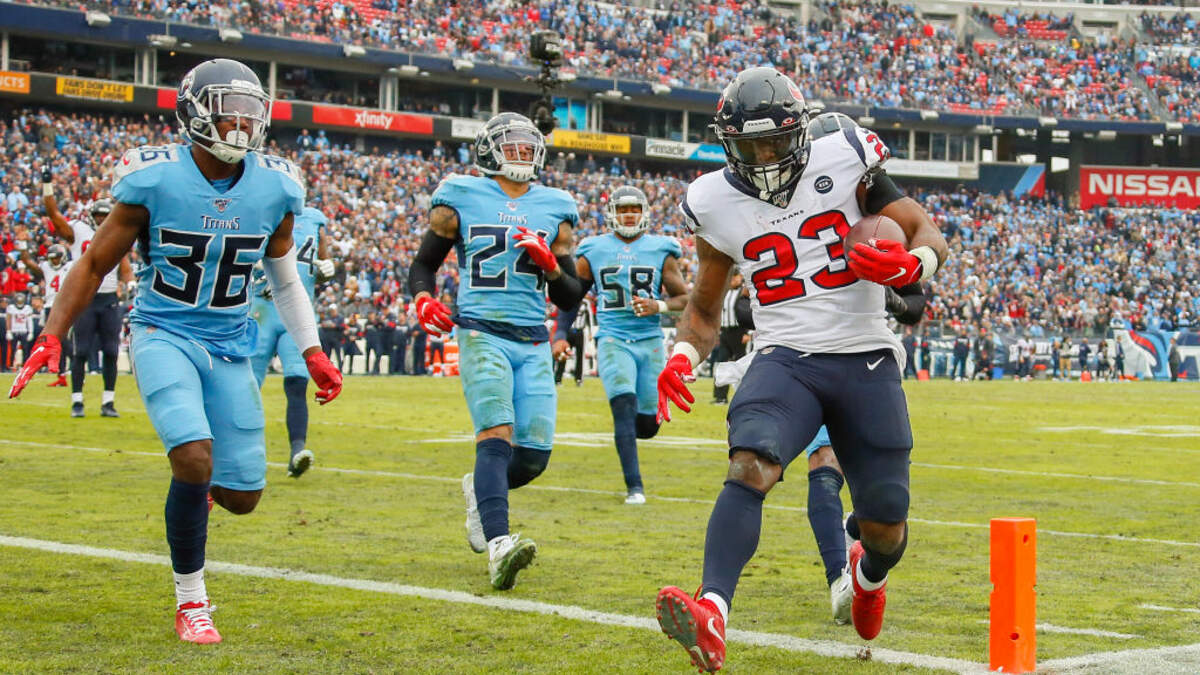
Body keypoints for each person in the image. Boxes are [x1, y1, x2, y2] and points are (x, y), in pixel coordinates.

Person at [9, 58, 343, 645]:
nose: (241, 124)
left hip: (231, 343)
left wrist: (312, 351)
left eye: (251, 112)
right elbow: (93, 263)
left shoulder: (276, 186)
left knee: (242, 496)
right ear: (194, 113)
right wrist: (51, 334)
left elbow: (286, 279)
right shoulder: (155, 179)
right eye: (228, 111)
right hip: (163, 332)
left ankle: (197, 498)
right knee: (192, 457)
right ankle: (192, 601)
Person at [651, 71, 948, 673]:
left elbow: (927, 233)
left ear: (802, 130)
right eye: (750, 145)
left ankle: (866, 577)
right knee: (750, 462)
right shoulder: (713, 201)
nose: (764, 157)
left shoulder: (846, 156)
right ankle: (712, 611)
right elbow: (703, 310)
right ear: (727, 143)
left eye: (775, 142)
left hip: (865, 354)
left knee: (886, 526)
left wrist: (910, 265)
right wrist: (681, 357)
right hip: (785, 356)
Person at [406, 112, 584, 591]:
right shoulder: (461, 195)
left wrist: (551, 267)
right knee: (496, 433)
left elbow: (570, 295)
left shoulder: (555, 205)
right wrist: (423, 298)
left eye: (528, 147)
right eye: (513, 146)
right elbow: (423, 264)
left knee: (533, 457)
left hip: (532, 338)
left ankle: (478, 491)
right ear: (489, 150)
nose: (522, 154)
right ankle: (500, 545)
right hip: (480, 330)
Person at [552, 185, 689, 504]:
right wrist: (559, 334)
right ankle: (635, 488)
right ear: (612, 213)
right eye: (623, 209)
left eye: (635, 209)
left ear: (645, 213)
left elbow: (684, 298)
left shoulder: (661, 248)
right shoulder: (594, 249)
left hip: (650, 340)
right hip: (613, 338)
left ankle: (632, 438)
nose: (629, 215)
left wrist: (659, 305)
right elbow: (572, 297)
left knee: (649, 424)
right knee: (623, 409)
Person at [249, 204, 335, 478]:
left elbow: (321, 261)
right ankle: (240, 452)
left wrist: (327, 268)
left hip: (297, 313)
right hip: (260, 310)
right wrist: (255, 268)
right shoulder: (263, 206)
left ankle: (297, 451)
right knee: (246, 386)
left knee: (297, 383)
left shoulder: (314, 219)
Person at [42, 182, 133, 417]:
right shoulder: (79, 230)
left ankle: (108, 402)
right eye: (99, 216)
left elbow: (124, 264)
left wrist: (130, 281)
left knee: (111, 351)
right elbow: (54, 216)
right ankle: (77, 401)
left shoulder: (117, 232)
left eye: (105, 216)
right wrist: (47, 186)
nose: (102, 220)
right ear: (91, 216)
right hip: (85, 298)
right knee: (80, 350)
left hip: (109, 298)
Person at [19, 243, 72, 386]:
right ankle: (60, 374)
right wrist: (23, 245)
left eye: (57, 258)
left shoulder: (70, 266)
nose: (54, 261)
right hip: (49, 307)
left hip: (63, 306)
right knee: (52, 341)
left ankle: (75, 368)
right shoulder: (46, 267)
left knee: (63, 341)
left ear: (63, 257)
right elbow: (27, 261)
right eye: (52, 258)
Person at [711, 273, 748, 404]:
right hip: (725, 332)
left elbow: (749, 312)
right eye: (731, 277)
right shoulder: (724, 292)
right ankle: (720, 397)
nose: (733, 280)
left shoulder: (744, 292)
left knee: (742, 365)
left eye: (735, 277)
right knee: (721, 363)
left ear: (740, 277)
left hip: (739, 332)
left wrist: (748, 332)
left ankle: (744, 396)